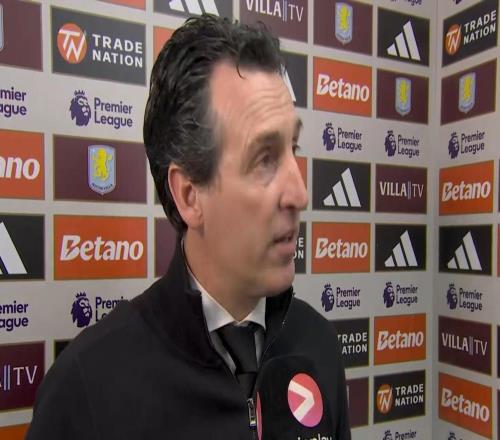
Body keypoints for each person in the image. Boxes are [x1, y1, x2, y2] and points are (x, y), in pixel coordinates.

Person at [27, 15, 351, 439]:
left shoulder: (318, 346)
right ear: (189, 195)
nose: (300, 193)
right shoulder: (87, 387)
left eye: (293, 147)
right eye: (265, 158)